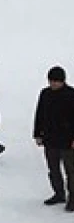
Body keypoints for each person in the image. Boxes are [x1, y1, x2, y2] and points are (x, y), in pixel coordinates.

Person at [33, 66, 74, 210]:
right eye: (51, 81)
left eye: (56, 81)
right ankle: (59, 193)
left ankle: (73, 198)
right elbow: (39, 114)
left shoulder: (71, 95)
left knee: (71, 171)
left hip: (68, 141)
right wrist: (37, 134)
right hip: (50, 140)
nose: (53, 84)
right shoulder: (45, 94)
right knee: (53, 169)